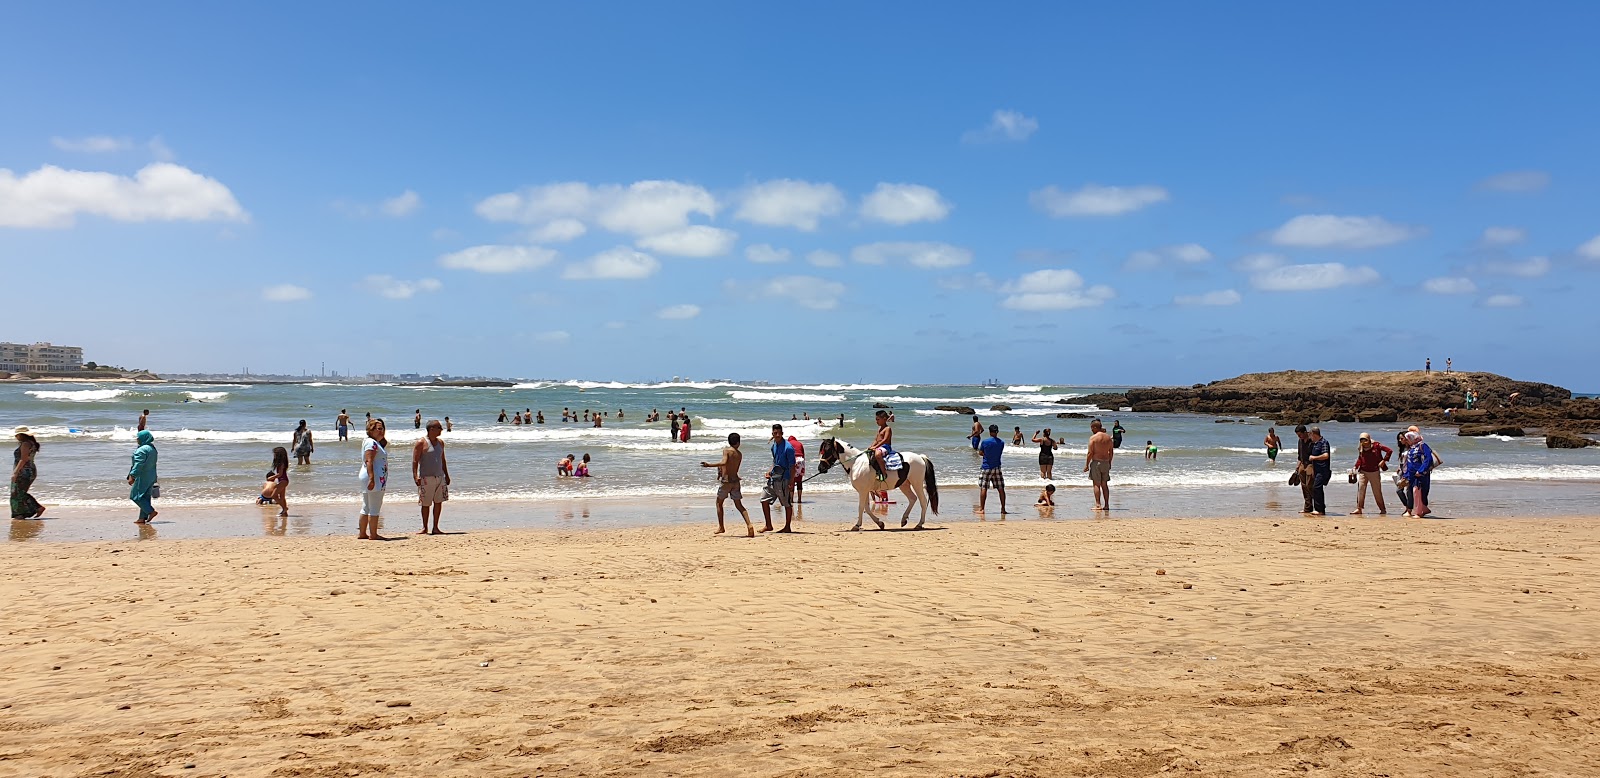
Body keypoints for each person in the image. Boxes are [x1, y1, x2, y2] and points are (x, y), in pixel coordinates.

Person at [701, 433, 755, 537]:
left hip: (726, 482)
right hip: (735, 481)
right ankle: (749, 524)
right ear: (738, 443)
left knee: (719, 503)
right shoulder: (739, 454)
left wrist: (709, 465)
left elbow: (724, 463)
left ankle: (721, 527)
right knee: (739, 505)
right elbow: (734, 468)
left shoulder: (727, 451)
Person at [412, 419, 451, 535]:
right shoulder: (421, 443)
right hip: (426, 478)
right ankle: (425, 527)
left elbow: (442, 460)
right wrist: (415, 476)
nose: (442, 430)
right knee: (425, 503)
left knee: (438, 502)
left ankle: (436, 527)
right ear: (431, 429)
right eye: (439, 427)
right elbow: (415, 461)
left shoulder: (440, 443)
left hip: (439, 477)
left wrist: (447, 475)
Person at [760, 424, 795, 532]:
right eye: (775, 433)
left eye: (779, 433)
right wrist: (769, 471)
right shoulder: (774, 445)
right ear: (773, 434)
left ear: (782, 433)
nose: (778, 435)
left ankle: (787, 527)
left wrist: (791, 482)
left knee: (786, 504)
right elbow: (775, 462)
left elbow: (793, 466)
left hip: (784, 479)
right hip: (773, 479)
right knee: (764, 500)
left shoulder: (788, 448)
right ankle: (768, 525)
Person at [358, 418, 388, 540]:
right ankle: (373, 534)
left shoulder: (371, 441)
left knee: (366, 506)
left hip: (372, 477)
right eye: (379, 429)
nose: (382, 431)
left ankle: (363, 533)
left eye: (382, 429)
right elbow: (369, 460)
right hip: (374, 477)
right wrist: (372, 478)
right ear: (371, 429)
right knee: (375, 506)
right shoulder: (371, 443)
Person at [1400, 431, 1440, 517]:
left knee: (1418, 492)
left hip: (1421, 474)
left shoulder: (1423, 446)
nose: (1407, 440)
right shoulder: (1411, 448)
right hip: (1412, 474)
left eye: (1408, 439)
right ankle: (1423, 509)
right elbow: (1409, 463)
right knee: (1414, 492)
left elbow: (1428, 459)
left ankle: (1418, 513)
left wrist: (1421, 471)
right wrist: (1406, 475)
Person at [1351, 432, 1392, 515]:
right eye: (1362, 440)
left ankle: (1382, 509)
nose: (1363, 442)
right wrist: (1355, 467)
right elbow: (1360, 458)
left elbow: (1389, 451)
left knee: (1377, 491)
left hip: (1374, 471)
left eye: (1365, 440)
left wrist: (1384, 461)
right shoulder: (1361, 447)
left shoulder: (1377, 445)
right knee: (1361, 490)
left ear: (1369, 439)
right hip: (1363, 471)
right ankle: (1359, 508)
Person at [11, 427, 44, 519]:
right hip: (30, 470)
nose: (16, 436)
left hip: (24, 471)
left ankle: (25, 512)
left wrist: (15, 472)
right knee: (20, 492)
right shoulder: (31, 443)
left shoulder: (25, 444)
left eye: (17, 434)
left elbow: (23, 459)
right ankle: (22, 513)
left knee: (16, 493)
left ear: (21, 435)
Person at [127, 429, 159, 524]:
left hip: (142, 476)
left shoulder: (141, 450)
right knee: (145, 497)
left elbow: (138, 464)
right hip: (152, 475)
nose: (137, 439)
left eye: (138, 437)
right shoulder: (152, 448)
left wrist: (132, 475)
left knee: (135, 496)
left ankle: (151, 511)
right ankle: (142, 518)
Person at [1086, 421, 1115, 510]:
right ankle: (1106, 505)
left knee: (1096, 484)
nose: (1091, 430)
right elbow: (1111, 452)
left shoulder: (1093, 438)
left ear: (1095, 427)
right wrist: (1109, 462)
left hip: (1096, 462)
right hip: (1105, 462)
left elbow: (1090, 453)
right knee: (1104, 484)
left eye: (1092, 428)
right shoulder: (1108, 438)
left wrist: (1086, 464)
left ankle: (1098, 504)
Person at [978, 423, 1006, 514]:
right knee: (1001, 488)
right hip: (997, 466)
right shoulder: (1001, 442)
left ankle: (982, 509)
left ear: (990, 432)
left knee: (984, 488)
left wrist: (986, 455)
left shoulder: (985, 442)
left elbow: (980, 452)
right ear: (997, 432)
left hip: (986, 467)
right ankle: (1003, 509)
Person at [1307, 426, 1332, 516]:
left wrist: (1314, 458)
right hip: (1317, 470)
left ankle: (1320, 509)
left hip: (1323, 470)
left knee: (1316, 488)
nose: (1310, 437)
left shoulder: (1323, 442)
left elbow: (1326, 455)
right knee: (1316, 488)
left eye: (1310, 434)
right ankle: (1320, 508)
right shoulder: (1316, 443)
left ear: (1314, 434)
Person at [869, 410, 896, 481]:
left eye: (878, 419)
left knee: (877, 454)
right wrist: (871, 446)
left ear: (884, 419)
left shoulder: (887, 429)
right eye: (876, 419)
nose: (876, 421)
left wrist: (876, 447)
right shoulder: (879, 429)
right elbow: (876, 440)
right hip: (879, 446)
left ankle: (884, 473)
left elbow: (885, 440)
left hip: (886, 447)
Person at [1294, 425, 1314, 514]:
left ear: (1305, 432)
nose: (1299, 437)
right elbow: (1299, 455)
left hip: (1311, 464)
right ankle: (1307, 508)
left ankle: (1317, 506)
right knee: (1304, 486)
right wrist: (1297, 467)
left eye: (1300, 435)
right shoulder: (1300, 441)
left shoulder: (1312, 440)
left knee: (1310, 485)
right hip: (1302, 463)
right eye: (1298, 435)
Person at [267, 446, 290, 517]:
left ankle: (284, 508)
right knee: (282, 497)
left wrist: (271, 477)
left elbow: (279, 474)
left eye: (275, 454)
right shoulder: (282, 463)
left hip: (283, 481)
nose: (274, 456)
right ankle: (284, 513)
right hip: (283, 481)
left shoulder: (281, 463)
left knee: (273, 495)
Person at [788, 434, 806, 504]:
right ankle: (799, 499)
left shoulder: (788, 443)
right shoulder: (800, 443)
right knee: (799, 481)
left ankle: (791, 499)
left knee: (792, 481)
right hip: (801, 461)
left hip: (793, 460)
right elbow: (803, 455)